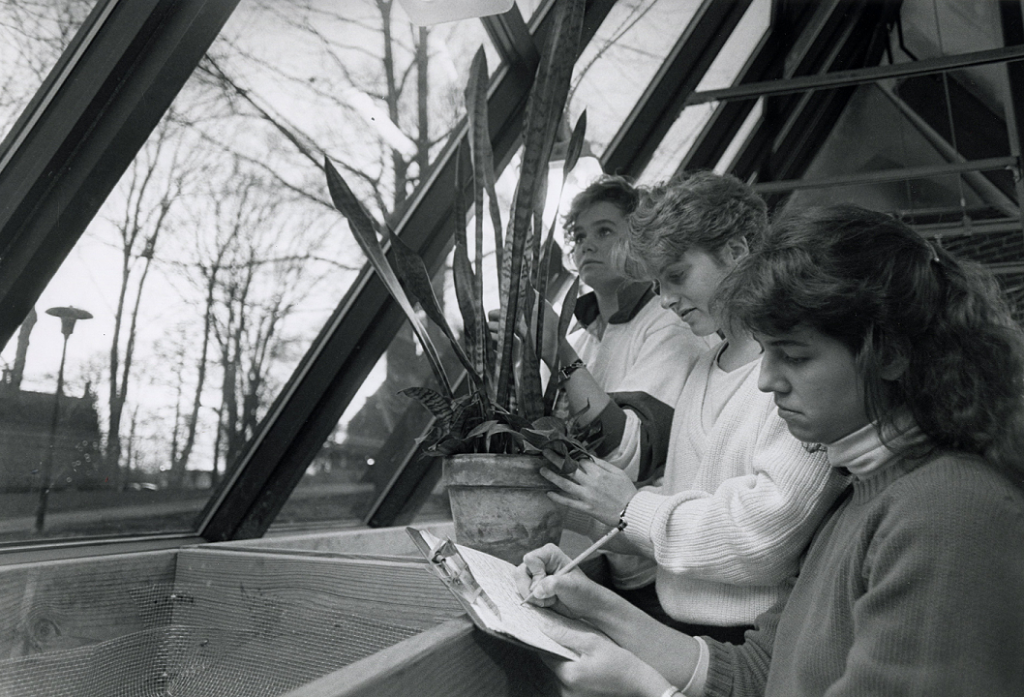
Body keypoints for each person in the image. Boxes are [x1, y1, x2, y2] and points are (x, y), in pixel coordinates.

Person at [516, 204, 1024, 696]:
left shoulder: (947, 514)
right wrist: (595, 608)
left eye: (794, 356)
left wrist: (649, 691)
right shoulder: (855, 494)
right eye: (765, 350)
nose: (765, 380)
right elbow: (758, 674)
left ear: (889, 353)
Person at [542, 171, 848, 643]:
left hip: (757, 641)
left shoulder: (796, 376)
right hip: (680, 625)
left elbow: (762, 538)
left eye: (677, 276)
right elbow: (676, 508)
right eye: (659, 283)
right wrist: (575, 522)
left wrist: (627, 506)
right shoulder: (705, 366)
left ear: (737, 252)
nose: (664, 300)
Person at [552, 174, 711, 482]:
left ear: (637, 239)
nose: (587, 246)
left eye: (604, 231)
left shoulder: (672, 324)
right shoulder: (578, 339)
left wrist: (556, 350)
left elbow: (633, 458)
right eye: (580, 236)